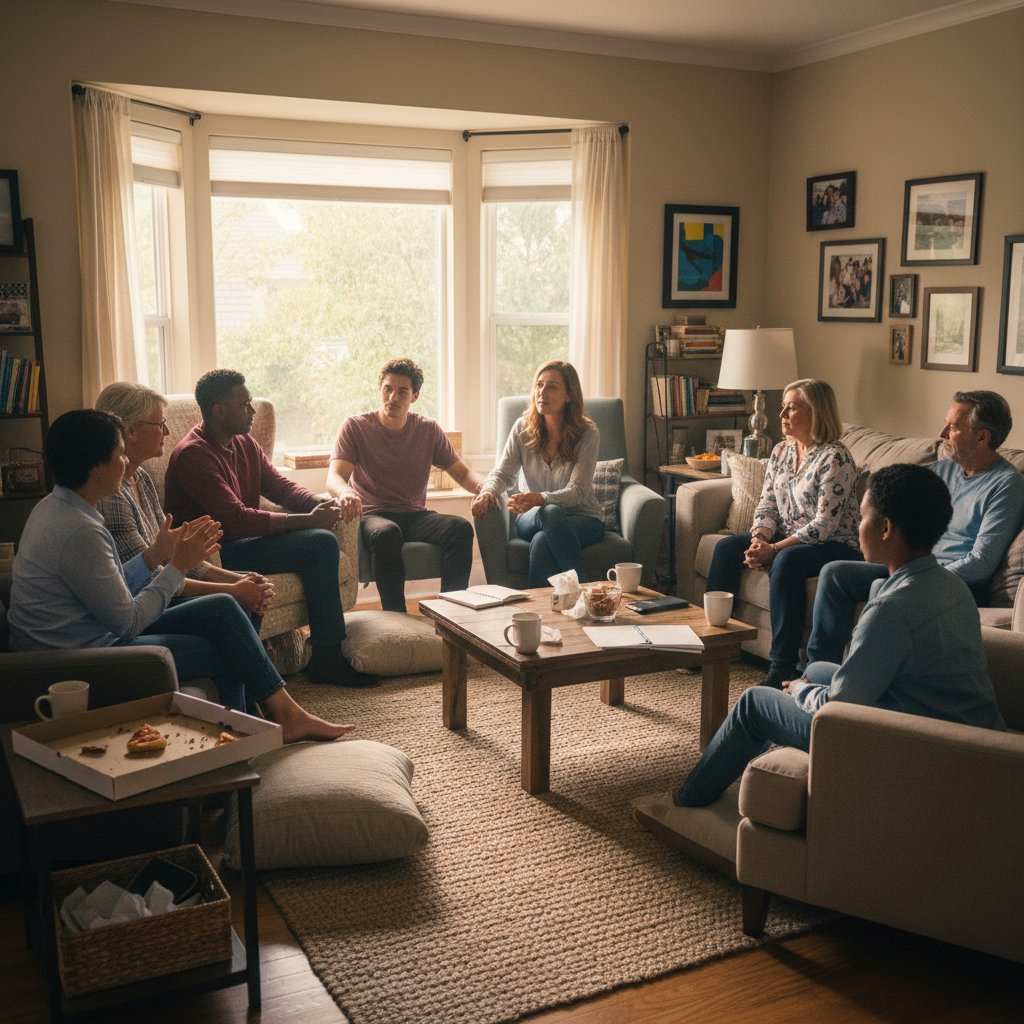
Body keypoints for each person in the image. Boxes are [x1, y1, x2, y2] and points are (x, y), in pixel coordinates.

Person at [7, 409, 354, 743]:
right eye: (120, 454)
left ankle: (265, 718)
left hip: (95, 632)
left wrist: (154, 555)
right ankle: (248, 732)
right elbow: (128, 621)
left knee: (224, 607)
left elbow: (112, 588)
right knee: (228, 647)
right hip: (83, 658)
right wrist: (176, 567)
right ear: (97, 467)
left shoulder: (57, 507)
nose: (126, 461)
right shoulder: (80, 531)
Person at [673, 463, 1006, 809]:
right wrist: (810, 686)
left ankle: (684, 802)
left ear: (886, 528)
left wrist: (800, 691)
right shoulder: (953, 585)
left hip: (915, 747)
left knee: (754, 703)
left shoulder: (891, 608)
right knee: (818, 670)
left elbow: (841, 707)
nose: (858, 527)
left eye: (862, 517)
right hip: (957, 729)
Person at [163, 369, 373, 686]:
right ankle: (327, 657)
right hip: (215, 555)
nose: (252, 411)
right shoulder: (193, 455)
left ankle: (325, 653)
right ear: (219, 411)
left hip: (245, 541)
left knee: (320, 542)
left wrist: (318, 503)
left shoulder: (244, 443)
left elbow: (281, 488)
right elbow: (234, 519)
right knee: (319, 543)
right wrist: (309, 520)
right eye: (245, 405)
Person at [805, 390, 1024, 666]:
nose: (942, 434)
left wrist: (918, 575)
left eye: (953, 427)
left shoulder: (1007, 484)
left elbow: (982, 561)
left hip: (957, 582)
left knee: (882, 585)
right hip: (913, 565)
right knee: (835, 573)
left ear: (982, 437)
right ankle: (817, 668)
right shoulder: (942, 471)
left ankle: (864, 672)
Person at [704, 379, 861, 690]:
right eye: (783, 407)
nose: (782, 415)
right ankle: (715, 645)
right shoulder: (781, 451)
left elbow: (823, 525)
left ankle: (782, 664)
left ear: (816, 412)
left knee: (787, 562)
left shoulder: (836, 458)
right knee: (726, 548)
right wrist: (759, 539)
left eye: (792, 408)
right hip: (787, 536)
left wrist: (774, 550)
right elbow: (767, 503)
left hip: (834, 544)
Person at [95, 381, 274, 624]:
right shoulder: (111, 495)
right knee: (229, 602)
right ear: (130, 432)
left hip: (164, 587)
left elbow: (174, 556)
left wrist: (238, 580)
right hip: (141, 605)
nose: (167, 432)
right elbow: (148, 579)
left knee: (249, 589)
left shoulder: (141, 478)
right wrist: (233, 590)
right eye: (160, 424)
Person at [326, 358, 483, 612]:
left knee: (460, 528)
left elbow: (463, 474)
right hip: (372, 515)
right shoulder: (355, 426)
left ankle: (452, 614)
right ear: (379, 388)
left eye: (402, 392)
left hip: (414, 515)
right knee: (387, 533)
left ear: (415, 396)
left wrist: (485, 489)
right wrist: (345, 492)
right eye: (388, 389)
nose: (393, 397)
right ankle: (396, 616)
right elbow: (334, 477)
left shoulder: (428, 429)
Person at [471, 360, 605, 588]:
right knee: (549, 512)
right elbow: (503, 473)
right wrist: (487, 491)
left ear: (569, 395)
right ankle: (582, 590)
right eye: (539, 385)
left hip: (584, 518)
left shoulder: (587, 432)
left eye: (552, 387)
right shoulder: (522, 427)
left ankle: (540, 607)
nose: (542, 392)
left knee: (543, 539)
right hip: (532, 516)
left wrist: (541, 498)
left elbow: (578, 492)